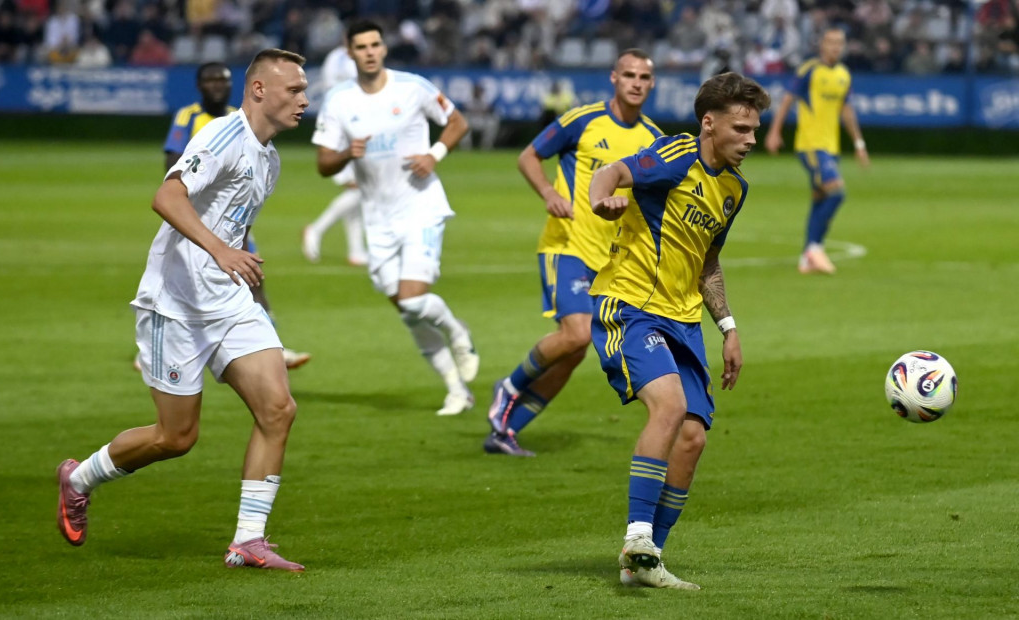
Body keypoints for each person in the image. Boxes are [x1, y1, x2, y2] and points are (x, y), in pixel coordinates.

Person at [57, 49, 311, 572]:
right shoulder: (221, 136)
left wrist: (234, 263)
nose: (304, 100)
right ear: (259, 90)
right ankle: (78, 479)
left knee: (278, 409)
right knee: (176, 437)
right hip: (175, 304)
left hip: (229, 301)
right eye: (294, 90)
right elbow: (168, 197)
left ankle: (248, 540)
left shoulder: (270, 158)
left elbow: (233, 224)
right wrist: (221, 250)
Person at [587, 72, 771, 589]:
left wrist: (728, 327)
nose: (750, 140)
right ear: (709, 123)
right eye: (741, 129)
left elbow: (707, 261)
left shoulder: (734, 189)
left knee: (692, 438)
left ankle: (645, 564)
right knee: (668, 407)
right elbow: (612, 171)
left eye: (755, 131)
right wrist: (603, 200)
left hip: (684, 318)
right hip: (631, 304)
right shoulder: (676, 155)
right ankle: (637, 537)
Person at [485, 49, 662, 457]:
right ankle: (508, 387)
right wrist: (549, 193)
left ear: (652, 84)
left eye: (644, 77)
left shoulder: (654, 139)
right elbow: (529, 155)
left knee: (575, 351)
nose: (636, 83)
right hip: (567, 245)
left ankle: (505, 430)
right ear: (614, 78)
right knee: (577, 334)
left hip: (610, 261)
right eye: (629, 75)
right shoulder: (583, 120)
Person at [312, 20, 478, 416]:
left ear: (384, 48)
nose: (369, 52)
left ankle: (457, 331)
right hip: (377, 218)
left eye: (375, 45)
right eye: (361, 47)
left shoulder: (413, 87)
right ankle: (456, 389)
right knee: (408, 311)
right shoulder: (338, 101)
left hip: (420, 206)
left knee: (413, 299)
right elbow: (323, 162)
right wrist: (346, 153)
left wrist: (433, 155)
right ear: (349, 53)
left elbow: (458, 122)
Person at [162, 61, 311, 370]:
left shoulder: (245, 124)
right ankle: (160, 345)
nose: (217, 85)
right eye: (211, 80)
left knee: (254, 280)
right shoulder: (192, 118)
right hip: (198, 221)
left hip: (234, 224)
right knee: (184, 289)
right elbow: (172, 173)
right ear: (199, 86)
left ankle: (270, 344)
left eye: (223, 80)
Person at [764, 28, 870, 275]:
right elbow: (788, 99)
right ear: (822, 44)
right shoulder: (809, 70)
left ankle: (807, 258)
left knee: (820, 197)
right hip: (811, 145)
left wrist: (859, 144)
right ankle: (815, 248)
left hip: (831, 147)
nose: (835, 47)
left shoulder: (844, 74)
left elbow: (847, 110)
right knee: (837, 192)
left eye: (840, 42)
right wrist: (774, 132)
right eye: (831, 42)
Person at [301, 43, 368, 266]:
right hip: (345, 124)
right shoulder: (348, 60)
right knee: (359, 189)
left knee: (355, 189)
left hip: (345, 120)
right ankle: (316, 229)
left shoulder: (333, 57)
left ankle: (356, 251)